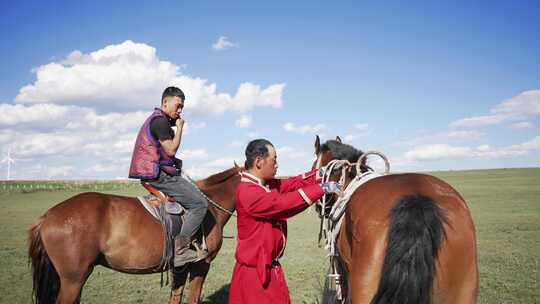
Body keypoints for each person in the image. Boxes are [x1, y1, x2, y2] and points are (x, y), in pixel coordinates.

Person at [228, 139, 341, 303]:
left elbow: (295, 183)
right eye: (274, 160)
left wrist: (322, 173)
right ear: (259, 161)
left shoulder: (266, 185)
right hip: (255, 277)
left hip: (269, 270)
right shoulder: (247, 192)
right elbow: (281, 205)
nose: (277, 165)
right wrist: (322, 188)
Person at [128, 86, 208, 267]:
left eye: (182, 108)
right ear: (165, 102)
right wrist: (180, 128)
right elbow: (171, 149)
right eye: (177, 106)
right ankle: (181, 251)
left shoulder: (156, 121)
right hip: (158, 174)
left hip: (153, 171)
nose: (179, 111)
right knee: (199, 203)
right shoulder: (160, 121)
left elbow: (163, 153)